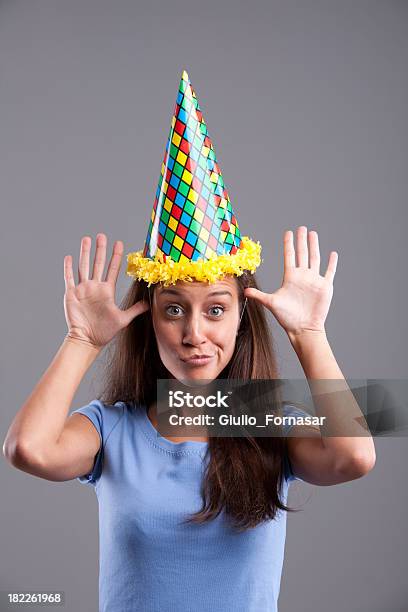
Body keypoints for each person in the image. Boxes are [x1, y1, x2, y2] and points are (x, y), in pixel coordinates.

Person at [3, 70, 376, 612]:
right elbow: (28, 450)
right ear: (148, 319)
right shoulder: (112, 427)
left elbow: (353, 458)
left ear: (242, 318)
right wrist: (82, 339)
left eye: (216, 310)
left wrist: (309, 333)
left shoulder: (268, 422)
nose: (194, 333)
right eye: (173, 309)